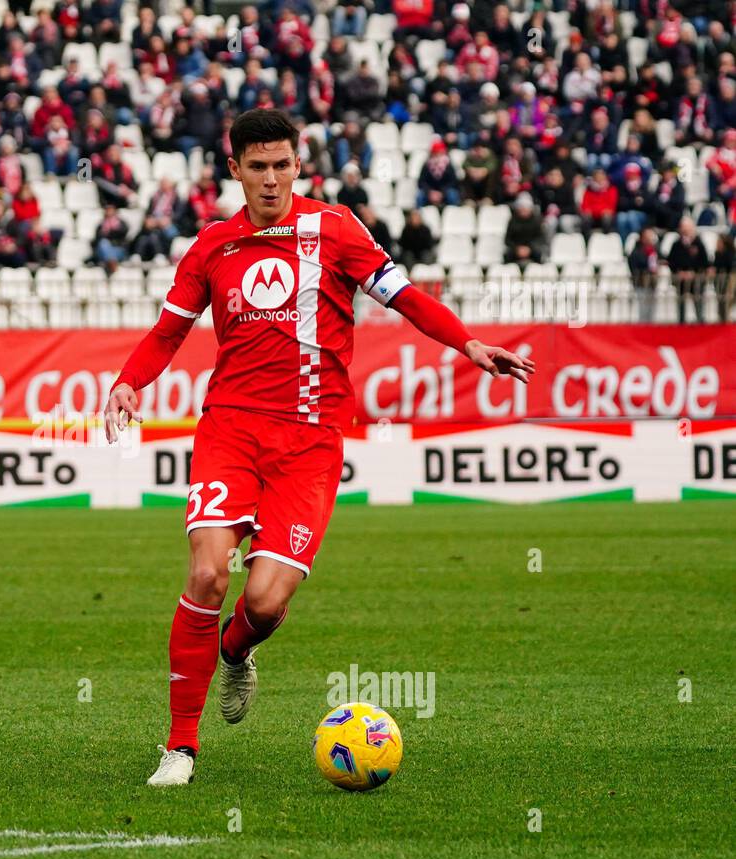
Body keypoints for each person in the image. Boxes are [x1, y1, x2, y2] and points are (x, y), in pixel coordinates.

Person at [102, 110, 534, 787]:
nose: (271, 179)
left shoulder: (334, 230)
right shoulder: (213, 245)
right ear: (235, 168)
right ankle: (180, 747)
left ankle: (236, 650)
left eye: (282, 165)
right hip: (231, 431)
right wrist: (129, 383)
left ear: (296, 165)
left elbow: (405, 297)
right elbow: (166, 332)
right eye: (258, 166)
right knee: (208, 574)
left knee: (267, 602)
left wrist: (467, 342)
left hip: (309, 443)